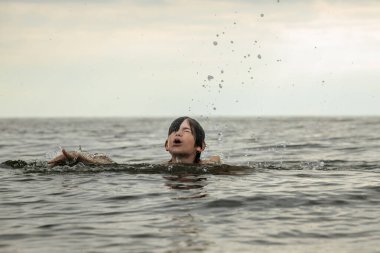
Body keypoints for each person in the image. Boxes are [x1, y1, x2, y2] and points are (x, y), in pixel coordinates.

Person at [48, 116, 220, 167]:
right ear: (167, 145)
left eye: (186, 131)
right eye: (174, 131)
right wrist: (78, 157)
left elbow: (216, 159)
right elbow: (114, 167)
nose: (178, 134)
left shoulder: (209, 166)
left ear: (200, 146)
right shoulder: (159, 169)